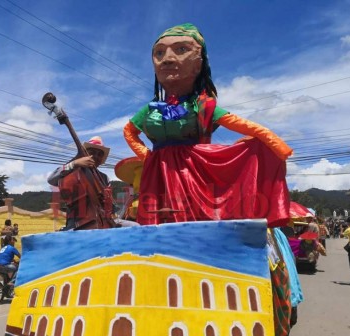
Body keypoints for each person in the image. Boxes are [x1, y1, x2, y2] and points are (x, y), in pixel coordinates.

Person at [123, 23, 292, 227]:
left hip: (194, 173)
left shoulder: (203, 105)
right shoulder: (151, 109)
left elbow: (241, 125)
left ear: (198, 64)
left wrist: (274, 143)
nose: (167, 59)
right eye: (159, 53)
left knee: (194, 224)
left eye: (181, 50)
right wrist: (147, 157)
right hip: (157, 174)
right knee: (157, 226)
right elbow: (129, 131)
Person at [47, 136, 114, 230]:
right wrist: (74, 163)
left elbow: (109, 204)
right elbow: (51, 179)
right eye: (92, 152)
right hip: (77, 224)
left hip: (103, 220)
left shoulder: (104, 178)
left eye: (100, 154)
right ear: (84, 155)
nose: (96, 156)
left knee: (133, 226)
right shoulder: (73, 171)